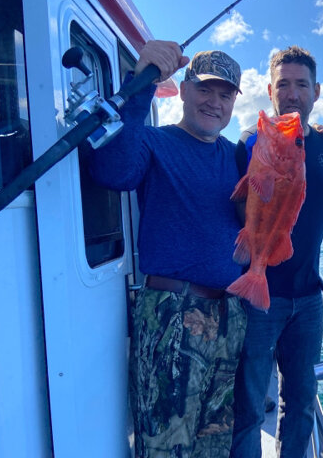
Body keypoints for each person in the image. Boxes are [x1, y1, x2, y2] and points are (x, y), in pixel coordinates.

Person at [89, 40, 247, 458]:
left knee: (213, 443)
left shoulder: (239, 158)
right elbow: (113, 170)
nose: (215, 102)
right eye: (206, 89)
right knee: (166, 447)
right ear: (183, 89)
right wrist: (139, 86)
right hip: (172, 315)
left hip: (230, 317)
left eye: (226, 93)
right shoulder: (154, 142)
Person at [230, 45, 323, 458]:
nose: (292, 93)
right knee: (249, 406)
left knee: (302, 404)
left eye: (301, 84)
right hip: (258, 298)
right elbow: (238, 209)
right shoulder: (252, 143)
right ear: (270, 90)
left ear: (316, 91)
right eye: (283, 84)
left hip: (309, 299)